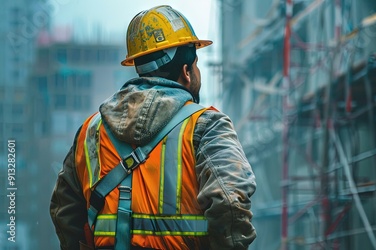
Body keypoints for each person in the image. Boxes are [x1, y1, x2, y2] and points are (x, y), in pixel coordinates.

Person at [50, 5, 257, 250]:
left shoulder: (91, 131)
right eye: (196, 64)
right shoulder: (207, 126)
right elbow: (230, 202)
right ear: (186, 72)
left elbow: (64, 211)